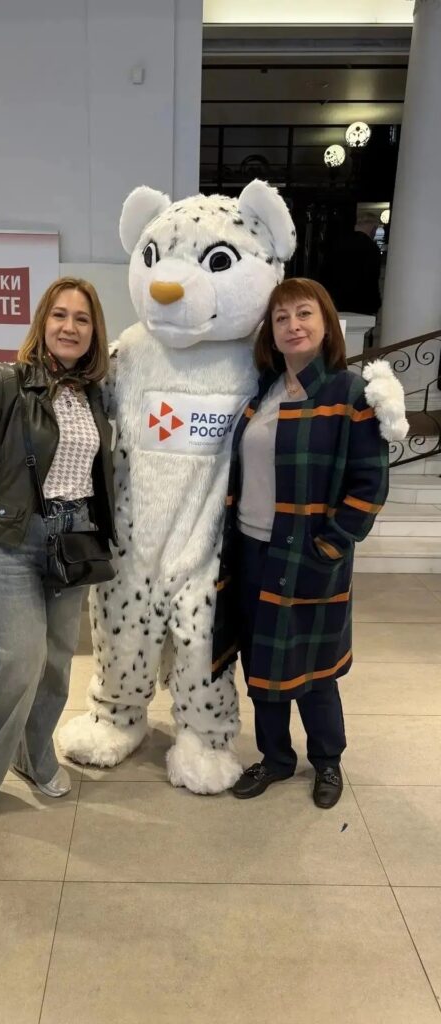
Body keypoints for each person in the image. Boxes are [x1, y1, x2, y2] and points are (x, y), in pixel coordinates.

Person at [0, 277, 116, 825]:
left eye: (82, 319)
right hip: (6, 540)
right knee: (15, 660)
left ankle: (33, 756)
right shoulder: (5, 383)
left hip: (72, 542)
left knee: (56, 664)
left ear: (94, 331)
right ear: (43, 322)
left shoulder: (92, 395)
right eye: (60, 315)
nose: (70, 327)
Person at [213, 278, 389, 809]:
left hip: (309, 554)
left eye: (304, 313)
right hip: (251, 550)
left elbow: (369, 485)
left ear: (326, 323)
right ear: (270, 332)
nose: (293, 326)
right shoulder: (262, 393)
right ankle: (275, 758)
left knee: (314, 670)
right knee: (261, 662)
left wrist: (331, 546)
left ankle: (327, 759)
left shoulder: (349, 394)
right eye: (281, 317)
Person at [319, 213, 382, 315]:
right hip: (361, 305)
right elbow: (371, 278)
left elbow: (325, 272)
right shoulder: (371, 248)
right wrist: (376, 303)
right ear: (372, 228)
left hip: (336, 302)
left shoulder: (338, 243)